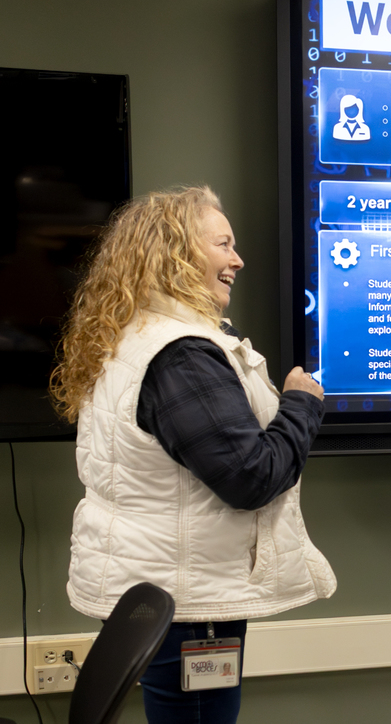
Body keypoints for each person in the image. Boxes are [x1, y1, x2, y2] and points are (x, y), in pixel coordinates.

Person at [50, 186, 336, 722]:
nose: (238, 259)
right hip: (192, 605)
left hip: (166, 588)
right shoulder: (181, 355)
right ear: (174, 254)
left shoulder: (132, 337)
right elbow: (251, 477)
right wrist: (301, 403)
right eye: (223, 244)